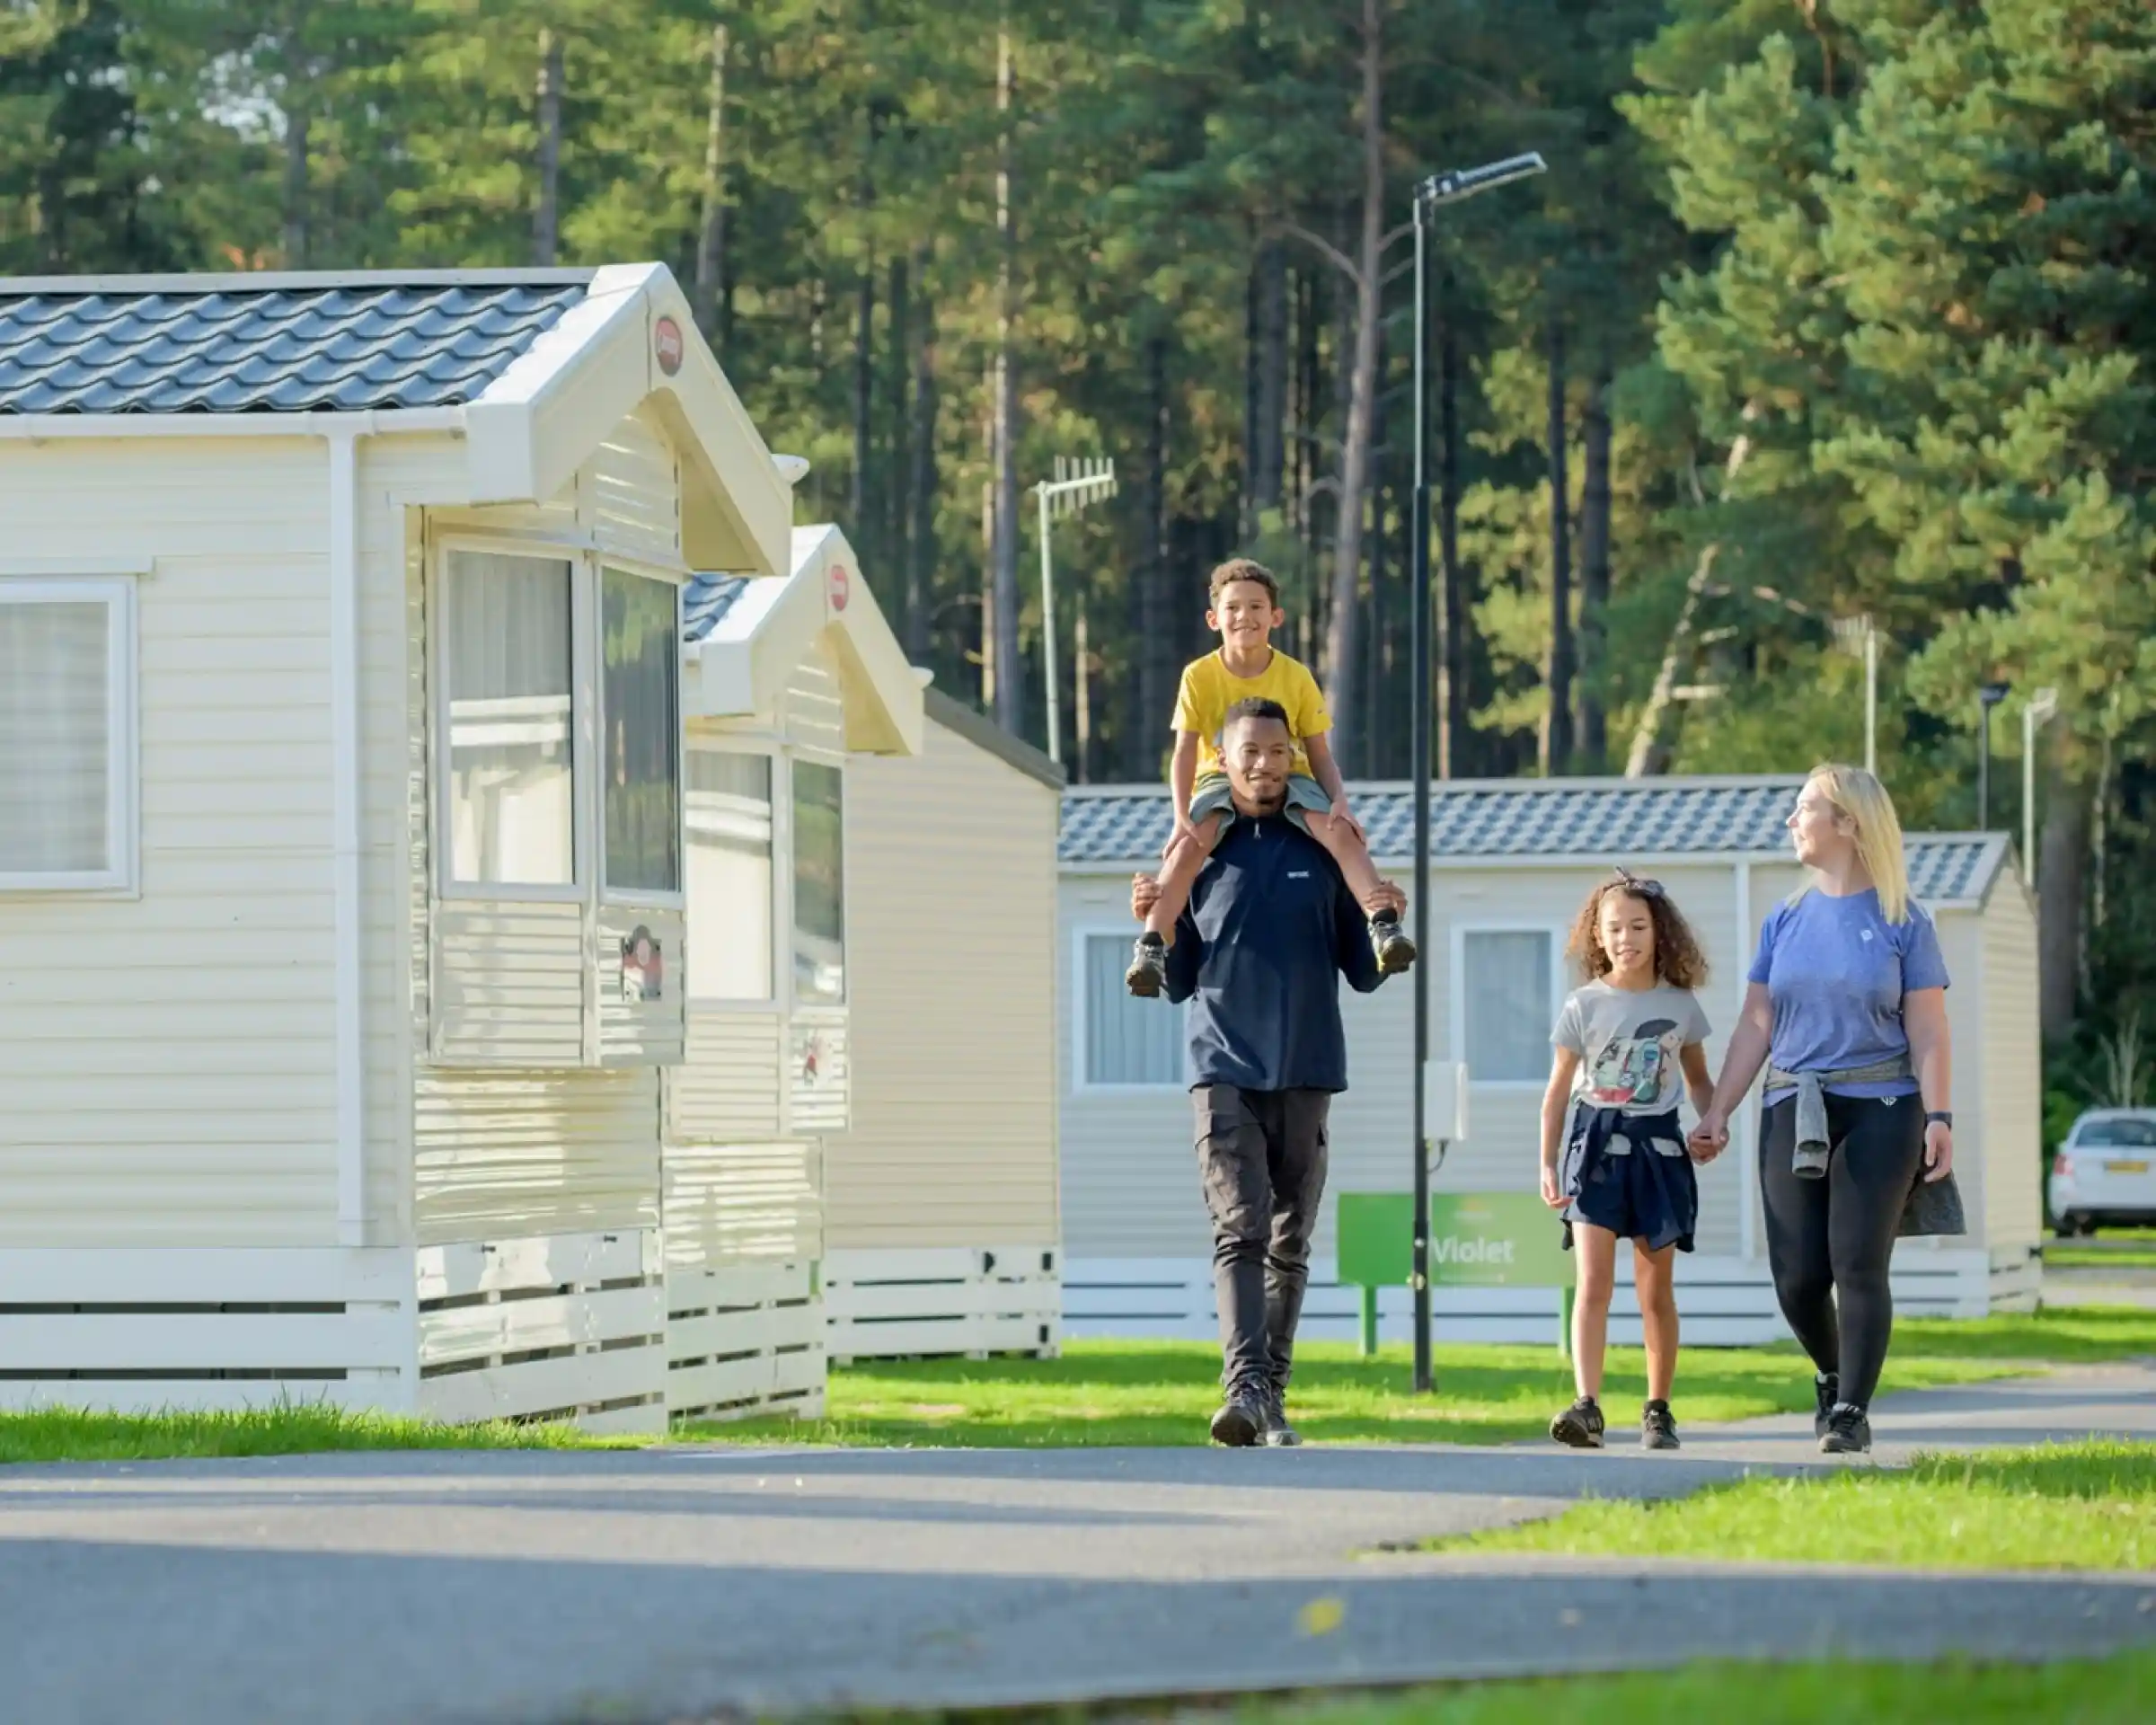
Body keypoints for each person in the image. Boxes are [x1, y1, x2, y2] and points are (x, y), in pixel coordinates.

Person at [1129, 696, 1405, 1447]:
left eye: (1278, 752)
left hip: (1309, 1068)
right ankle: (1243, 1389)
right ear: (1224, 758)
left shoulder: (1325, 845)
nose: (1264, 764)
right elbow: (1179, 978)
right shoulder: (1202, 846)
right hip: (1221, 1066)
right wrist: (1152, 919)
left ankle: (1270, 1396)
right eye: (1249, 751)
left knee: (1289, 1240)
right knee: (1238, 1228)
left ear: (1295, 759)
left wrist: (1384, 908)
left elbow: (1363, 970)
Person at [1690, 765, 1963, 1456]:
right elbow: (1756, 1022)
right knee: (1800, 1278)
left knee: (1857, 1264)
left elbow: (1929, 1028)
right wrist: (1718, 1110)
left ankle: (1850, 1411)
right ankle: (1833, 1371)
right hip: (1792, 1103)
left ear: (1847, 823)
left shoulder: (1905, 920)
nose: (1791, 820)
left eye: (1804, 807)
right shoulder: (1783, 919)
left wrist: (1940, 1117)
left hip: (1883, 1104)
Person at [1126, 557, 1413, 997]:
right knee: (1185, 851)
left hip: (1290, 773)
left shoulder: (1295, 675)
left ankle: (1381, 924)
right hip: (1219, 778)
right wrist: (1180, 816)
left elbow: (1319, 752)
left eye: (1257, 607)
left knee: (1341, 834)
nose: (1246, 617)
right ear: (1214, 618)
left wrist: (1340, 802)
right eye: (1234, 608)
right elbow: (1184, 752)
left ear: (1275, 616)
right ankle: (1151, 947)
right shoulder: (1199, 676)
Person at [1539, 871, 1719, 1452]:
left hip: (1658, 1151)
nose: (1626, 939)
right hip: (1594, 1151)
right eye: (1614, 928)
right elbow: (1558, 1093)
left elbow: (1699, 1081)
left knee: (1654, 1292)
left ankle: (1658, 1408)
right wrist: (1548, 1164)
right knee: (1592, 1285)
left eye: (1638, 927)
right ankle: (1587, 1404)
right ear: (1597, 935)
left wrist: (1712, 1124)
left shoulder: (1680, 1005)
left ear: (1659, 932)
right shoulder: (1584, 1004)